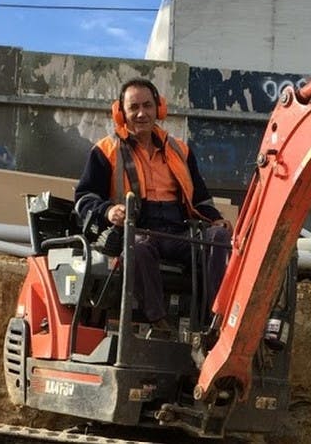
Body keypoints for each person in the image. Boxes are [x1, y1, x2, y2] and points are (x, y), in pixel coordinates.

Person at [74, 78, 231, 335]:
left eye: (147, 105)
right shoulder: (105, 150)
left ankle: (215, 322)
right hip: (137, 229)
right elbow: (83, 197)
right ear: (120, 113)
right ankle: (159, 322)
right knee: (138, 245)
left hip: (179, 231)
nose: (141, 113)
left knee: (220, 238)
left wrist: (214, 220)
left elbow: (201, 198)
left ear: (159, 108)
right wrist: (107, 210)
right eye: (133, 107)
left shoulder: (180, 150)